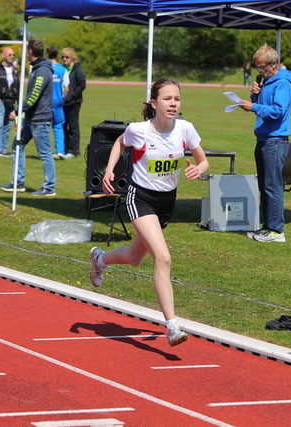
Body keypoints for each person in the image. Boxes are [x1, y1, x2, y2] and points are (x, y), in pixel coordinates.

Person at [89, 78, 209, 347]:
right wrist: (109, 171)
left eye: (177, 98)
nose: (173, 103)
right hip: (140, 198)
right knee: (163, 258)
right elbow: (119, 142)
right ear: (154, 103)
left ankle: (100, 259)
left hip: (166, 202)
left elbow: (203, 161)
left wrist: (197, 169)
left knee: (134, 258)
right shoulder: (140, 130)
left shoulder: (185, 129)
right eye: (167, 98)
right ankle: (172, 325)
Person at [239, 44, 291, 243]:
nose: (259, 70)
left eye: (262, 67)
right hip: (263, 139)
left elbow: (277, 111)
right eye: (257, 67)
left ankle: (276, 230)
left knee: (272, 186)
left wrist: (253, 106)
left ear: (273, 64)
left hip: (275, 141)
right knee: (264, 186)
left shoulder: (282, 84)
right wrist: (256, 95)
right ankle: (267, 227)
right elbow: (265, 105)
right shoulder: (268, 83)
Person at [0, 40, 56, 197]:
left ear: (30, 52)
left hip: (40, 120)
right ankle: (18, 182)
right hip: (31, 119)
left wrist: (17, 111)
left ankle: (49, 187)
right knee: (17, 146)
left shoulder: (42, 71)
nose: (25, 53)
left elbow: (33, 96)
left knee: (44, 153)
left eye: (26, 50)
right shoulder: (36, 68)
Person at [61, 47, 86, 159]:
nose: (64, 59)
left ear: (72, 57)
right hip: (63, 102)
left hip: (73, 102)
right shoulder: (63, 69)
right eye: (63, 57)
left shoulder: (78, 69)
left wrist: (72, 95)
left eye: (66, 57)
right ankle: (64, 149)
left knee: (73, 126)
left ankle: (73, 150)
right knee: (63, 125)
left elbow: (82, 85)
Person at [46, 46, 70, 159]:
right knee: (58, 126)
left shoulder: (44, 68)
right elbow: (66, 88)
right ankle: (60, 151)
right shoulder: (62, 69)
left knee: (44, 127)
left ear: (47, 55)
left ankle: (46, 151)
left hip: (45, 102)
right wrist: (63, 99)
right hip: (58, 101)